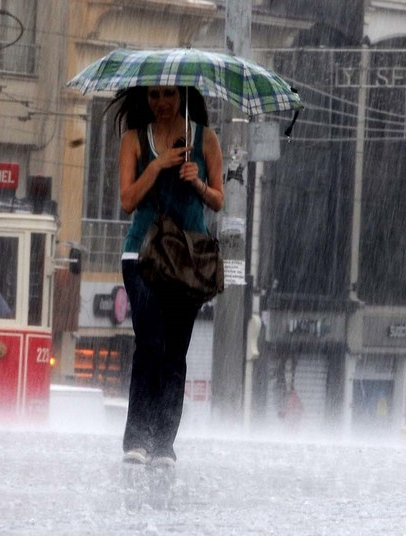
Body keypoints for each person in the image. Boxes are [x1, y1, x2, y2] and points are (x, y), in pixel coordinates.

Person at [111, 85, 224, 467]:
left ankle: (163, 443)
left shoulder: (206, 138)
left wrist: (197, 181)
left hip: (189, 258)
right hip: (141, 253)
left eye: (170, 95)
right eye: (155, 95)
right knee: (150, 342)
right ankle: (137, 439)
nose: (162, 103)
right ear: (145, 98)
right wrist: (157, 167)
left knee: (175, 352)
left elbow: (219, 199)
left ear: (183, 96)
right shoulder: (133, 139)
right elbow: (127, 201)